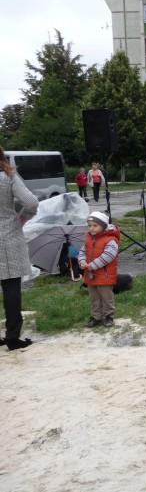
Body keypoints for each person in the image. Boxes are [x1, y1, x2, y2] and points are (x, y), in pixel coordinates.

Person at [0, 145, 38, 350]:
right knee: (11, 286)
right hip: (7, 235)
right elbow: (31, 202)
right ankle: (12, 336)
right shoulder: (8, 176)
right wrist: (23, 217)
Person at [78, 211, 120, 328]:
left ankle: (108, 316)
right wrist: (82, 261)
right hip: (90, 275)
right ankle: (96, 316)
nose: (91, 228)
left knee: (106, 297)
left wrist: (93, 265)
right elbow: (82, 251)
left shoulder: (111, 240)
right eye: (89, 225)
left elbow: (108, 256)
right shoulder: (88, 238)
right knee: (94, 297)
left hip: (105, 275)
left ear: (103, 226)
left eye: (95, 225)